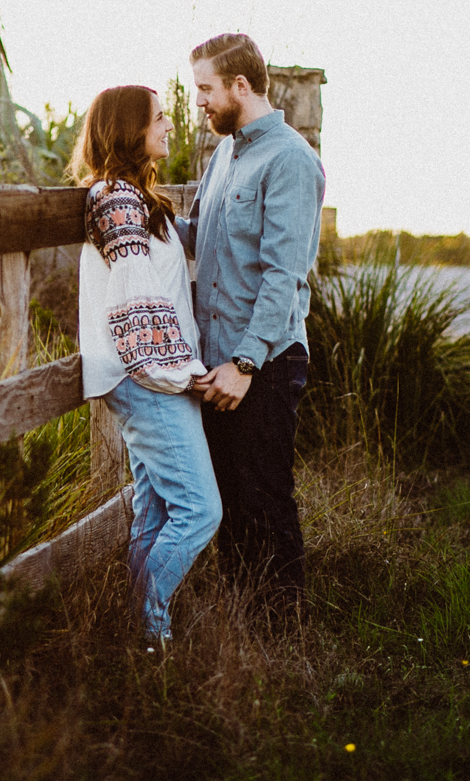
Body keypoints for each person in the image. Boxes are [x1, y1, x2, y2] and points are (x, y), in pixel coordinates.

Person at [177, 33, 326, 617]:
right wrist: (135, 212)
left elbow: (281, 275)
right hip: (218, 362)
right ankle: (242, 623)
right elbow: (200, 239)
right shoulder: (224, 154)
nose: (200, 103)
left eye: (206, 90)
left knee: (264, 499)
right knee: (230, 502)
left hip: (261, 363)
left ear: (241, 85)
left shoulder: (290, 159)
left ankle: (282, 634)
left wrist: (243, 364)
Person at [71, 84, 222, 647]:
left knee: (156, 512)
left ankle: (138, 637)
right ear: (131, 129)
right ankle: (149, 626)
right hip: (146, 379)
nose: (168, 126)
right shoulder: (114, 198)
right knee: (202, 510)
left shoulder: (137, 199)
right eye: (159, 119)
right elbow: (133, 302)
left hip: (155, 374)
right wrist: (178, 375)